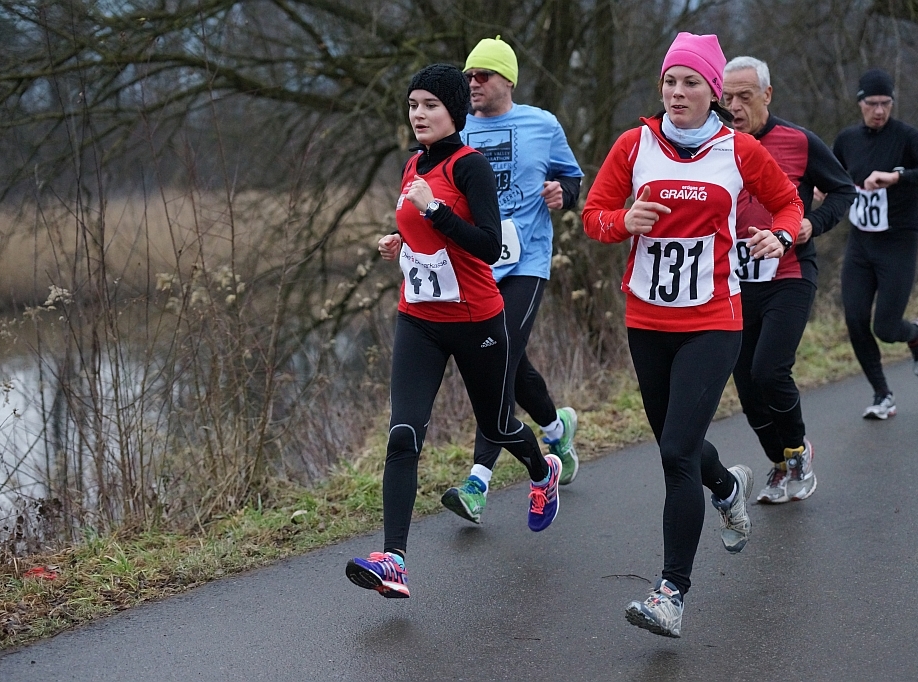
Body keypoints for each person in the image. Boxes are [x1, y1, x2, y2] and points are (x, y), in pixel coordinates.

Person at [582, 33, 804, 638]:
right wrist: (624, 220)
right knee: (674, 446)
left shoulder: (739, 151)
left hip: (713, 320)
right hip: (647, 322)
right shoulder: (635, 145)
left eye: (691, 83)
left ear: (714, 93)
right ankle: (728, 486)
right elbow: (593, 216)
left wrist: (778, 237)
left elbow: (789, 207)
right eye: (670, 82)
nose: (678, 93)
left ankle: (670, 593)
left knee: (677, 452)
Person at [345, 64, 562, 599]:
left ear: (453, 113)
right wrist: (399, 240)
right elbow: (418, 226)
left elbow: (488, 245)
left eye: (430, 105)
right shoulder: (412, 165)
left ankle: (542, 468)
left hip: (475, 320)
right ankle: (393, 558)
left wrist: (434, 210)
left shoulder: (472, 169)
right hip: (418, 319)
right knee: (404, 433)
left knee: (497, 423)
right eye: (413, 104)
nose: (418, 113)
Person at [440, 36, 585, 524]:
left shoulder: (542, 125)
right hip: (475, 264)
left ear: (508, 80)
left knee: (496, 359)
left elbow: (573, 177)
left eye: (482, 75)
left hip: (527, 261)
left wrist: (561, 192)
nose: (472, 83)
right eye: (468, 76)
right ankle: (554, 426)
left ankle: (477, 481)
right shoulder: (455, 132)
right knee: (507, 357)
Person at [721, 56, 856, 503]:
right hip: (736, 281)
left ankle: (798, 453)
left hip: (790, 273)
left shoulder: (798, 141)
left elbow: (844, 189)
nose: (735, 106)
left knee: (769, 369)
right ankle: (779, 464)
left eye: (745, 96)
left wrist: (811, 225)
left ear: (767, 94)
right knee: (746, 385)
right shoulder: (714, 145)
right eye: (727, 97)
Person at [832, 68, 918, 419]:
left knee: (885, 327)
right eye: (872, 104)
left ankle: (916, 335)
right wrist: (825, 190)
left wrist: (898, 177)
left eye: (886, 104)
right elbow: (832, 175)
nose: (880, 111)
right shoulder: (847, 140)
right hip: (860, 244)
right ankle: (882, 395)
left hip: (898, 241)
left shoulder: (906, 137)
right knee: (855, 319)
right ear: (860, 103)